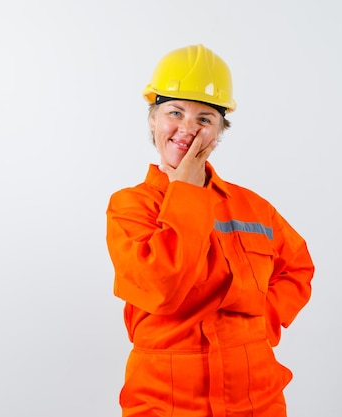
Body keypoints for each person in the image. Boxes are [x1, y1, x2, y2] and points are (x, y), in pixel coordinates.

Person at [105, 44, 315, 417]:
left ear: (219, 132)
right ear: (153, 119)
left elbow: (298, 267)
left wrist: (258, 325)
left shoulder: (252, 207)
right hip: (167, 402)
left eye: (205, 119)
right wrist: (185, 190)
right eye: (175, 112)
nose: (187, 128)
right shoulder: (131, 206)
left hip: (256, 398)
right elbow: (161, 288)